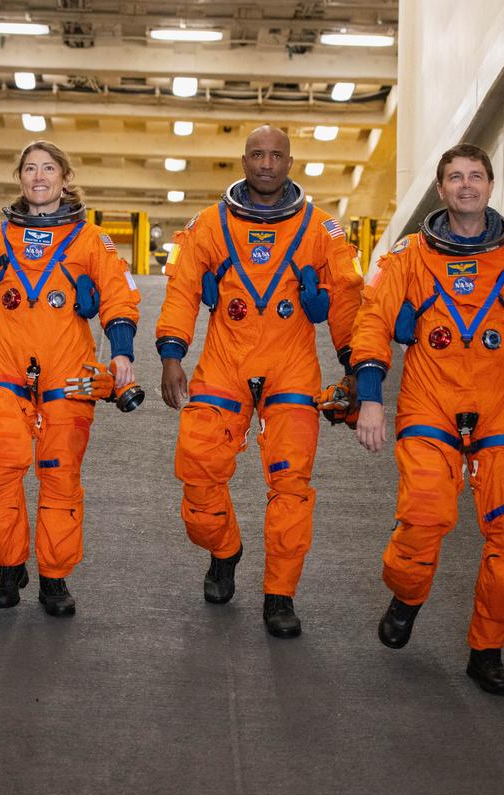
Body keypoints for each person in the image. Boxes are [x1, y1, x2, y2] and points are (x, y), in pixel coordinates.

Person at [350, 143, 504, 695]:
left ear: (489, 186)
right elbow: (372, 319)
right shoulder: (409, 256)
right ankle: (407, 596)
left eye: (475, 176)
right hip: (429, 402)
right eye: (455, 177)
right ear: (440, 189)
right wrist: (368, 396)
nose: (466, 185)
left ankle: (487, 650)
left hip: (500, 406)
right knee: (425, 515)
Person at [157, 126, 364, 638]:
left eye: (276, 155)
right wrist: (171, 353)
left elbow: (345, 297)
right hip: (224, 363)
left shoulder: (323, 231)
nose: (267, 163)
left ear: (290, 162)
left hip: (291, 366)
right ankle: (225, 549)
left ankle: (280, 594)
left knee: (291, 486)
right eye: (257, 154)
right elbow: (183, 290)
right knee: (198, 472)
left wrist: (355, 364)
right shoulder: (208, 224)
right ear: (243, 160)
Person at [0, 141, 141, 617]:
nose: (38, 176)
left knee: (59, 477)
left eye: (48, 168)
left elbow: (119, 296)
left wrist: (122, 354)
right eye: (29, 169)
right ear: (19, 178)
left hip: (69, 377)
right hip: (6, 372)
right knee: (2, 469)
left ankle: (54, 576)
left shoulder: (91, 240)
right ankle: (9, 566)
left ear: (65, 177)